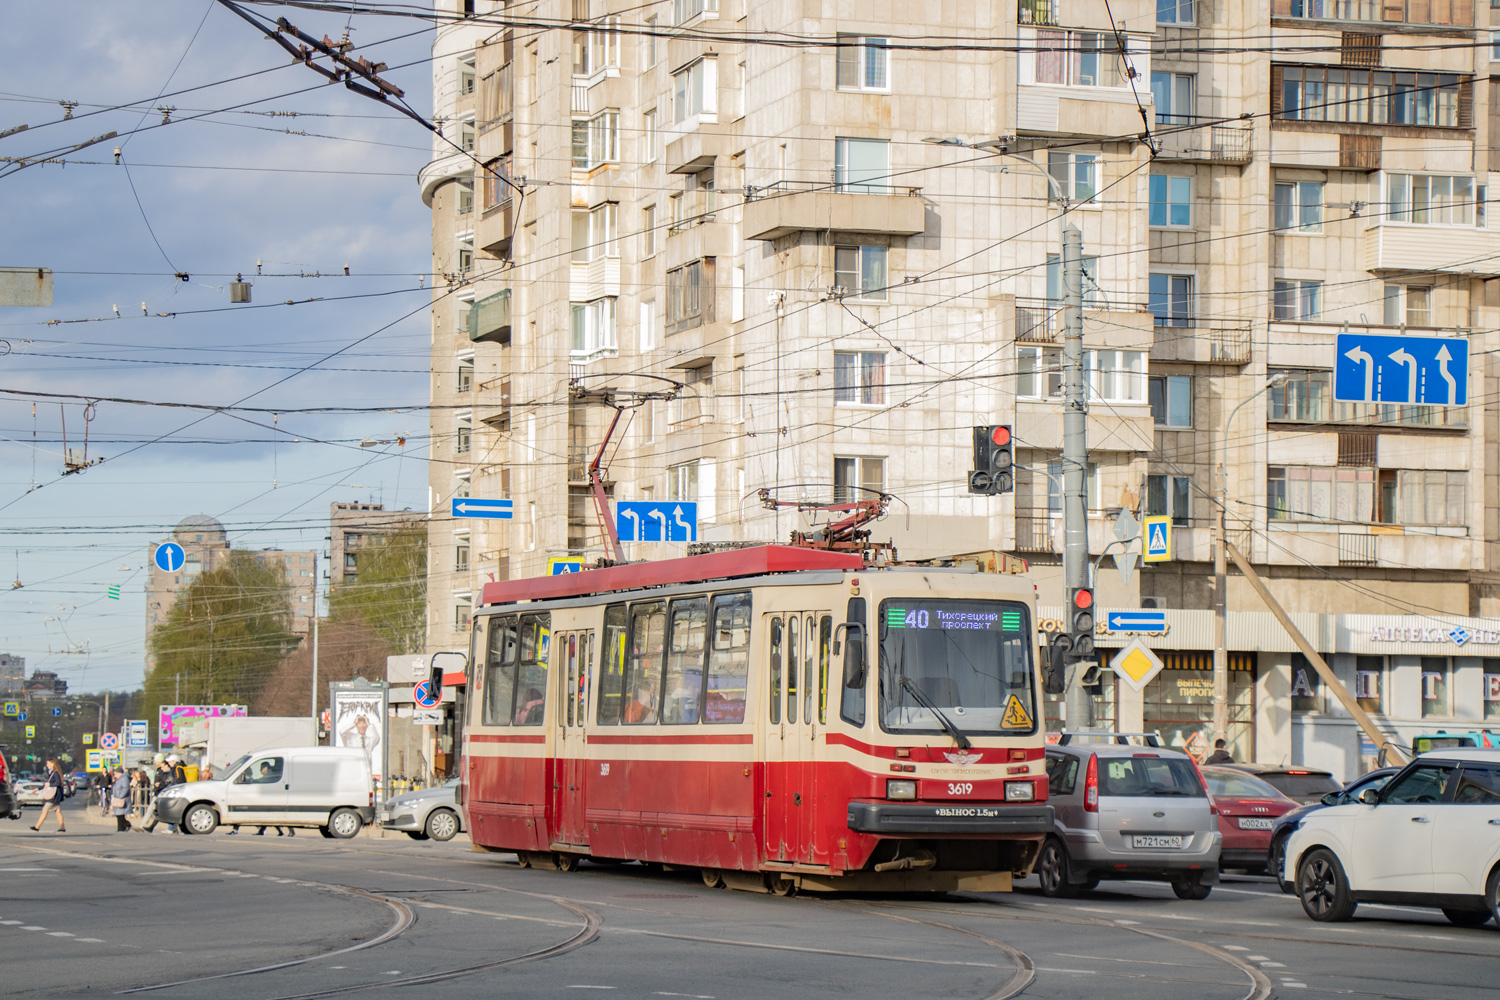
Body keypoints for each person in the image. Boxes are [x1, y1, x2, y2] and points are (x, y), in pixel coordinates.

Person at [30, 759, 67, 833]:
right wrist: (37, 789)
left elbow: (58, 783)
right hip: (56, 795)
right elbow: (46, 784)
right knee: (58, 811)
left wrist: (50, 784)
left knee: (44, 810)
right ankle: (62, 828)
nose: (47, 765)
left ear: (53, 764)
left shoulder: (55, 773)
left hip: (53, 796)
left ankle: (37, 826)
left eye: (48, 763)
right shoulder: (53, 773)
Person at [111, 768, 132, 832]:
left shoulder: (124, 779)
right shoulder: (120, 779)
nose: (115, 775)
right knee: (119, 815)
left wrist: (120, 796)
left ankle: (126, 825)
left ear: (119, 773)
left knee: (120, 815)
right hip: (118, 799)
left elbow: (126, 788)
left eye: (116, 774)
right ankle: (121, 828)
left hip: (122, 800)